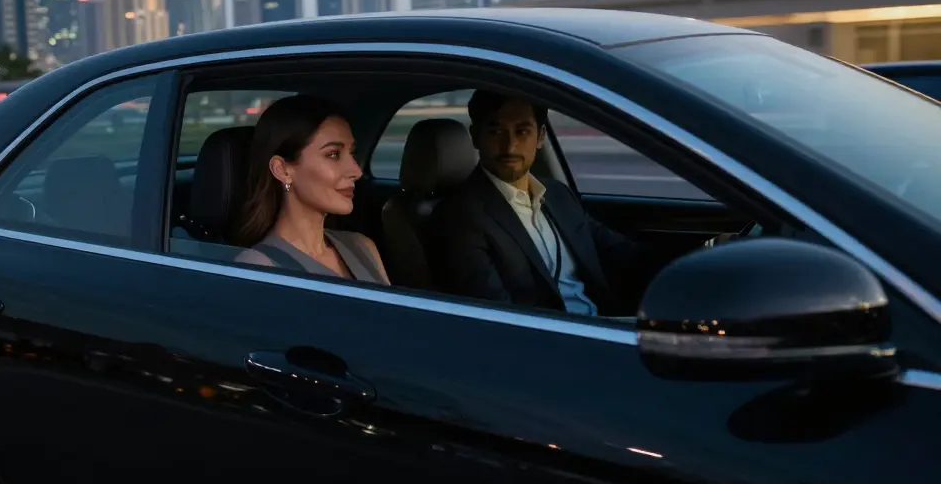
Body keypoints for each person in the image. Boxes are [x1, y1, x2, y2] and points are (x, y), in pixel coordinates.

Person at [427, 90, 666, 316]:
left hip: (606, 323)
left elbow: (624, 255)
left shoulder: (558, 195)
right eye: (496, 132)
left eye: (522, 131)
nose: (510, 147)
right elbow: (497, 317)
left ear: (540, 137)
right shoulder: (458, 217)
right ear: (475, 136)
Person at [230, 94, 391, 285]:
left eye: (352, 153)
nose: (356, 171)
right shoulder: (258, 268)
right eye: (333, 154)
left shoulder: (362, 247)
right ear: (283, 170)